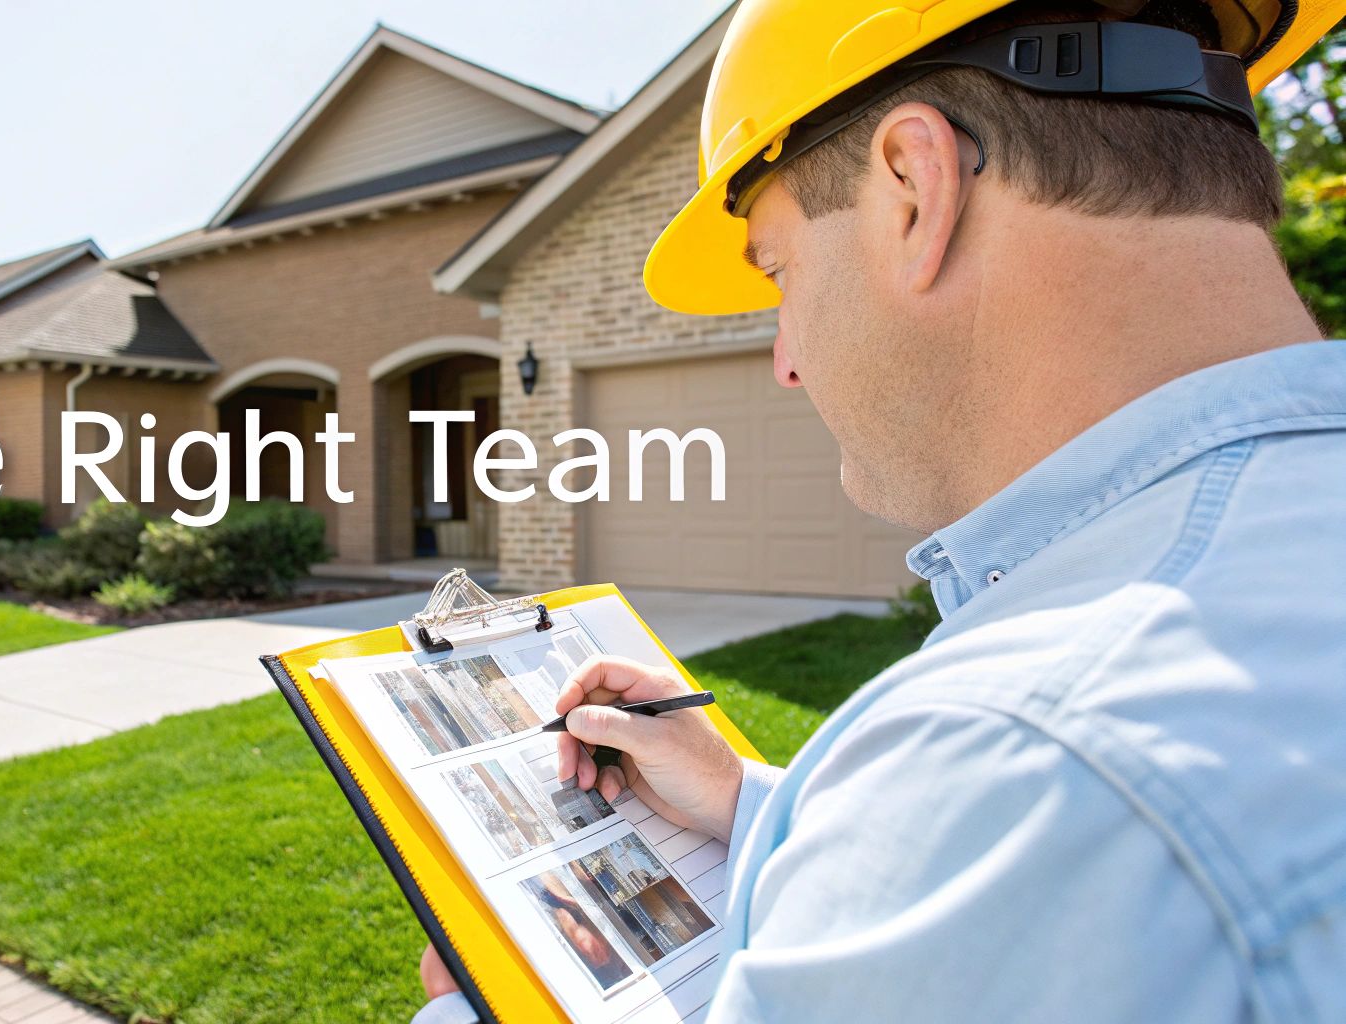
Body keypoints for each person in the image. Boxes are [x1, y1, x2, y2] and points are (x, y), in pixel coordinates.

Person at [415, 0, 1345, 1020]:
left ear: (912, 186)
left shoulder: (1027, 773)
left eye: (776, 273)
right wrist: (747, 803)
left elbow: (1028, 833)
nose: (784, 361)